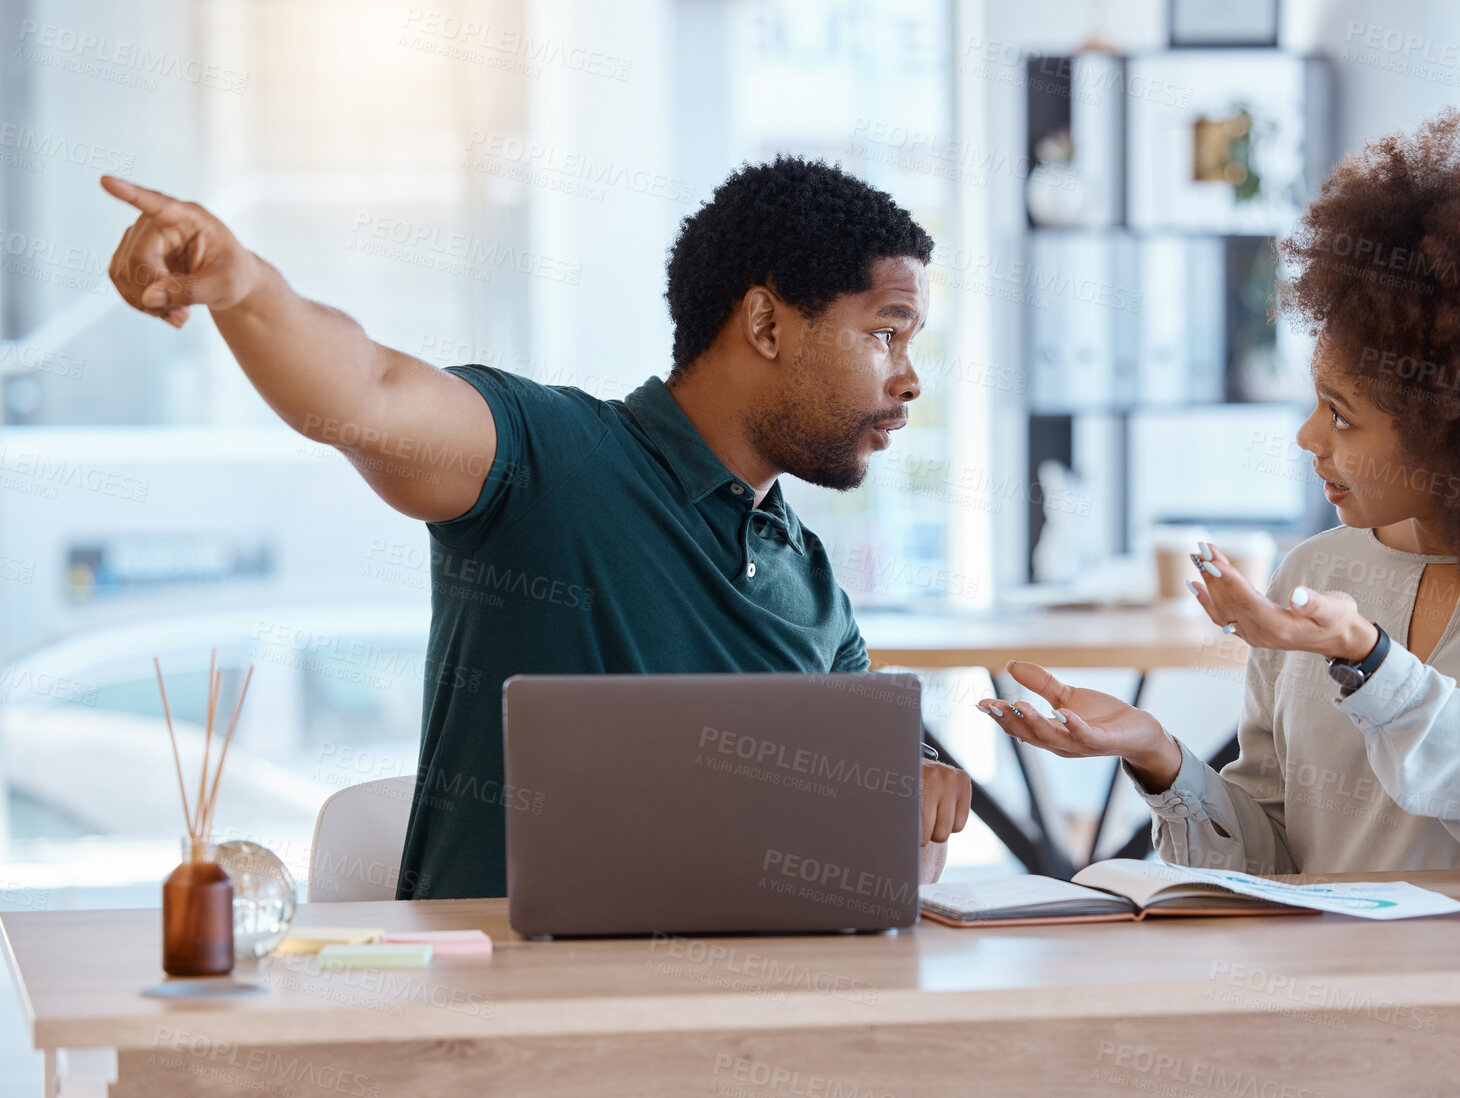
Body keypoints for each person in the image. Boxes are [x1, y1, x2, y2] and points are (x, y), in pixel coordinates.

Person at [100, 155, 971, 899]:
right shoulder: (547, 454)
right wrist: (248, 289)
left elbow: (868, 811)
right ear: (766, 324)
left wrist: (915, 792)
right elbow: (364, 394)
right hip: (496, 1030)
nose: (908, 381)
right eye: (886, 334)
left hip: (729, 1022)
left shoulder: (813, 586)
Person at [976, 111, 1460, 879]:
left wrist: (1369, 661)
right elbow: (1275, 860)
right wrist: (1159, 758)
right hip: (1331, 994)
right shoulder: (1311, 574)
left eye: (1342, 415)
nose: (1308, 439)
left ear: (1457, 426)